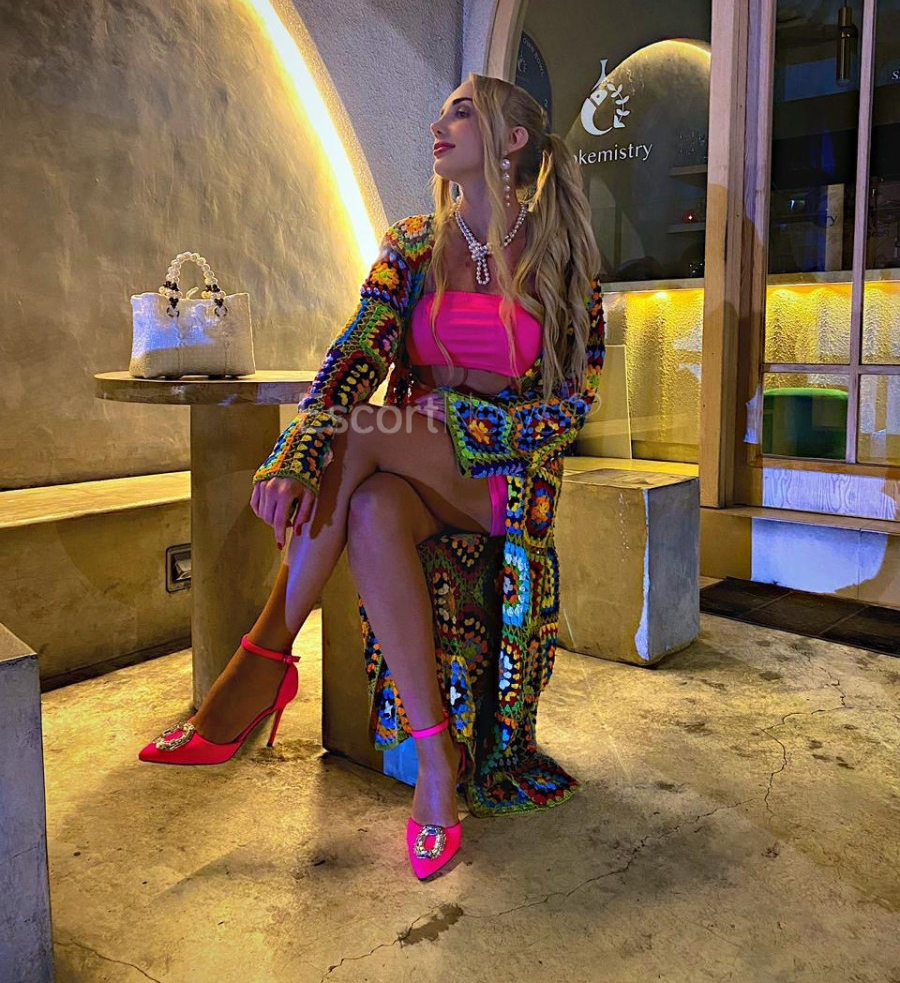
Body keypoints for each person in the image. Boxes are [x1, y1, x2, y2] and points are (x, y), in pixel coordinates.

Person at [139, 73, 606, 881]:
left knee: (359, 434)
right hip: (410, 468)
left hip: (504, 478)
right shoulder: (413, 245)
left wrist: (466, 426)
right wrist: (308, 445)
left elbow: (576, 402)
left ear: (513, 139)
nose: (438, 123)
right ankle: (437, 766)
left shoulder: (559, 254)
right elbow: (358, 349)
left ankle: (260, 665)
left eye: (462, 111)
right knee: (372, 509)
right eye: (442, 110)